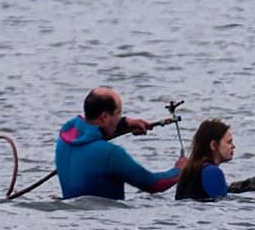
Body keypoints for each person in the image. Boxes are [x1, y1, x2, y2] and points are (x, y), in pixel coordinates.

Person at [54, 86, 188, 200]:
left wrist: (125, 123)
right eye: (118, 113)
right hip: (105, 220)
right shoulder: (110, 154)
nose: (120, 117)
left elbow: (90, 128)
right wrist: (179, 170)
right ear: (105, 117)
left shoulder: (65, 135)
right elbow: (153, 184)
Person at [176, 119, 235, 201]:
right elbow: (222, 203)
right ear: (213, 145)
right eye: (229, 142)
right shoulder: (213, 172)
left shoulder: (189, 169)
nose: (233, 146)